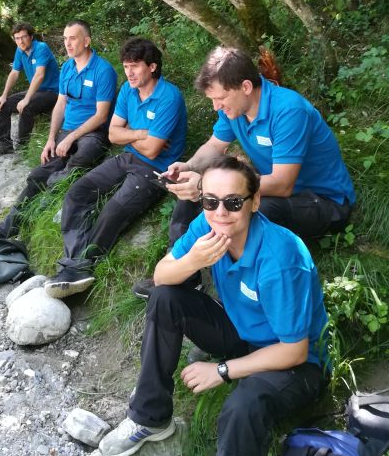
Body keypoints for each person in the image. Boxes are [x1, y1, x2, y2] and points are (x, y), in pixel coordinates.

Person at [100, 155, 330, 456]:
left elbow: (294, 352)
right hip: (244, 334)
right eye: (210, 201)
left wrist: (222, 371)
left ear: (254, 202)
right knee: (165, 298)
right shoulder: (208, 227)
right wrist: (192, 260)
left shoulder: (280, 260)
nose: (220, 212)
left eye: (233, 202)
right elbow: (162, 276)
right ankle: (150, 416)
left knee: (242, 406)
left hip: (299, 364)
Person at [133, 46, 355, 299]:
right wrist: (190, 166)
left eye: (220, 99)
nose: (216, 106)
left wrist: (208, 187)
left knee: (253, 208)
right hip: (283, 192)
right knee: (196, 198)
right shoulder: (234, 109)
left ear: (246, 87)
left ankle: (246, 291)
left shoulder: (288, 111)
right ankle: (185, 274)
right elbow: (215, 145)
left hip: (325, 201)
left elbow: (282, 185)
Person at [43, 37, 188, 299]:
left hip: (155, 169)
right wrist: (142, 133)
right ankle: (74, 262)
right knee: (78, 192)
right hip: (127, 158)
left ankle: (87, 264)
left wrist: (131, 134)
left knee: (114, 209)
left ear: (152, 67)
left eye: (135, 66)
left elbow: (154, 150)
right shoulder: (127, 91)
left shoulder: (169, 96)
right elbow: (112, 134)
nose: (129, 72)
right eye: (126, 66)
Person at [0, 20, 117, 248]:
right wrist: (51, 138)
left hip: (92, 133)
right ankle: (1, 231)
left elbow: (101, 115)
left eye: (73, 38)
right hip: (66, 133)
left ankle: (53, 188)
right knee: (35, 176)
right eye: (65, 38)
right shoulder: (67, 68)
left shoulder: (103, 70)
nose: (67, 43)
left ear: (87, 41)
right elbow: (60, 105)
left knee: (86, 151)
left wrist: (70, 138)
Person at [0, 21, 60, 159]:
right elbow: (14, 73)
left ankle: (22, 148)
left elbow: (39, 75)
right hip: (37, 91)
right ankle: (5, 145)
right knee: (4, 105)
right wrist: (3, 96)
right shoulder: (20, 51)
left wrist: (26, 99)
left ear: (31, 37)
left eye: (24, 37)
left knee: (27, 107)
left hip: (53, 92)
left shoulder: (41, 48)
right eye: (17, 38)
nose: (21, 41)